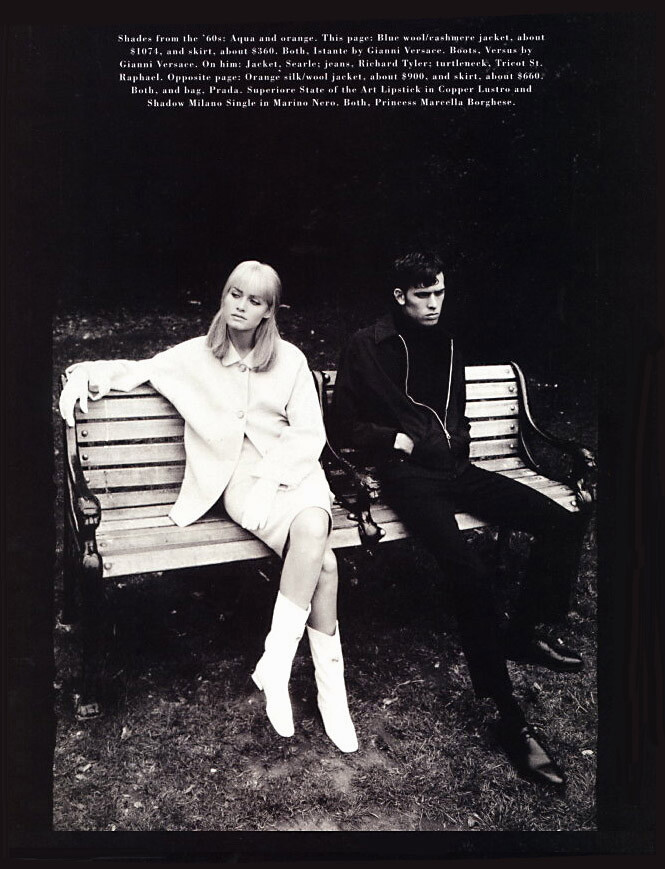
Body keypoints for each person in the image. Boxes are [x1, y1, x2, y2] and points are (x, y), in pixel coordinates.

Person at [59, 260, 358, 753]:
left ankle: (284, 669)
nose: (241, 306)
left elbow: (310, 433)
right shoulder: (197, 355)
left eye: (254, 301)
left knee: (317, 545)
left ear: (269, 311)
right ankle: (324, 692)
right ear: (224, 296)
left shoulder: (290, 360)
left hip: (295, 473)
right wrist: (82, 373)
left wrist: (275, 479)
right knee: (321, 561)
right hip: (238, 481)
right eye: (235, 294)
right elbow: (138, 369)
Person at [332, 251, 589, 785]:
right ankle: (509, 718)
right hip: (407, 478)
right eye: (423, 294)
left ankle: (522, 632)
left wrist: (459, 441)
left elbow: (457, 411)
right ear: (400, 296)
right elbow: (341, 425)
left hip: (455, 468)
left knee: (562, 520)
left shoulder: (448, 342)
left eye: (440, 292)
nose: (434, 304)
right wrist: (395, 441)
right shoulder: (366, 345)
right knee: (469, 575)